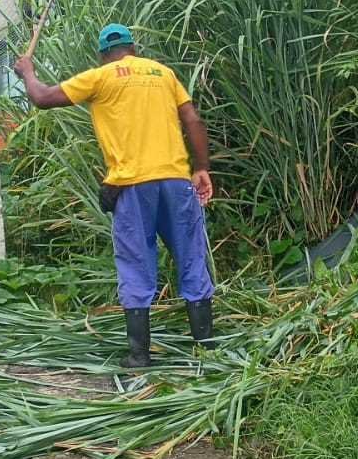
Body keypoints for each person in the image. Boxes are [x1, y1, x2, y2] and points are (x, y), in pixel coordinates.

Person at [13, 23, 215, 369]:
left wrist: (27, 71)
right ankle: (208, 350)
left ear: (104, 53)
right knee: (192, 258)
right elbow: (192, 120)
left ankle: (139, 356)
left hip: (132, 186)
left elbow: (42, 98)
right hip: (176, 181)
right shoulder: (163, 74)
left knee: (136, 265)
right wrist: (201, 167)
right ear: (134, 48)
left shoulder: (101, 76)